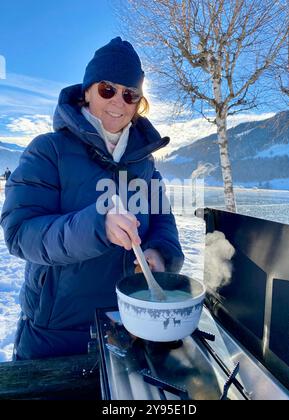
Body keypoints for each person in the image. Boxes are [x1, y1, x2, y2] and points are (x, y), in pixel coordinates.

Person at [0, 37, 184, 360]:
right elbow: (20, 232)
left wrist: (159, 253)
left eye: (130, 95)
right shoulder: (48, 151)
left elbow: (163, 220)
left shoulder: (143, 163)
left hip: (125, 327)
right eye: (107, 89)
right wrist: (99, 226)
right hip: (54, 337)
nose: (118, 102)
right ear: (87, 91)